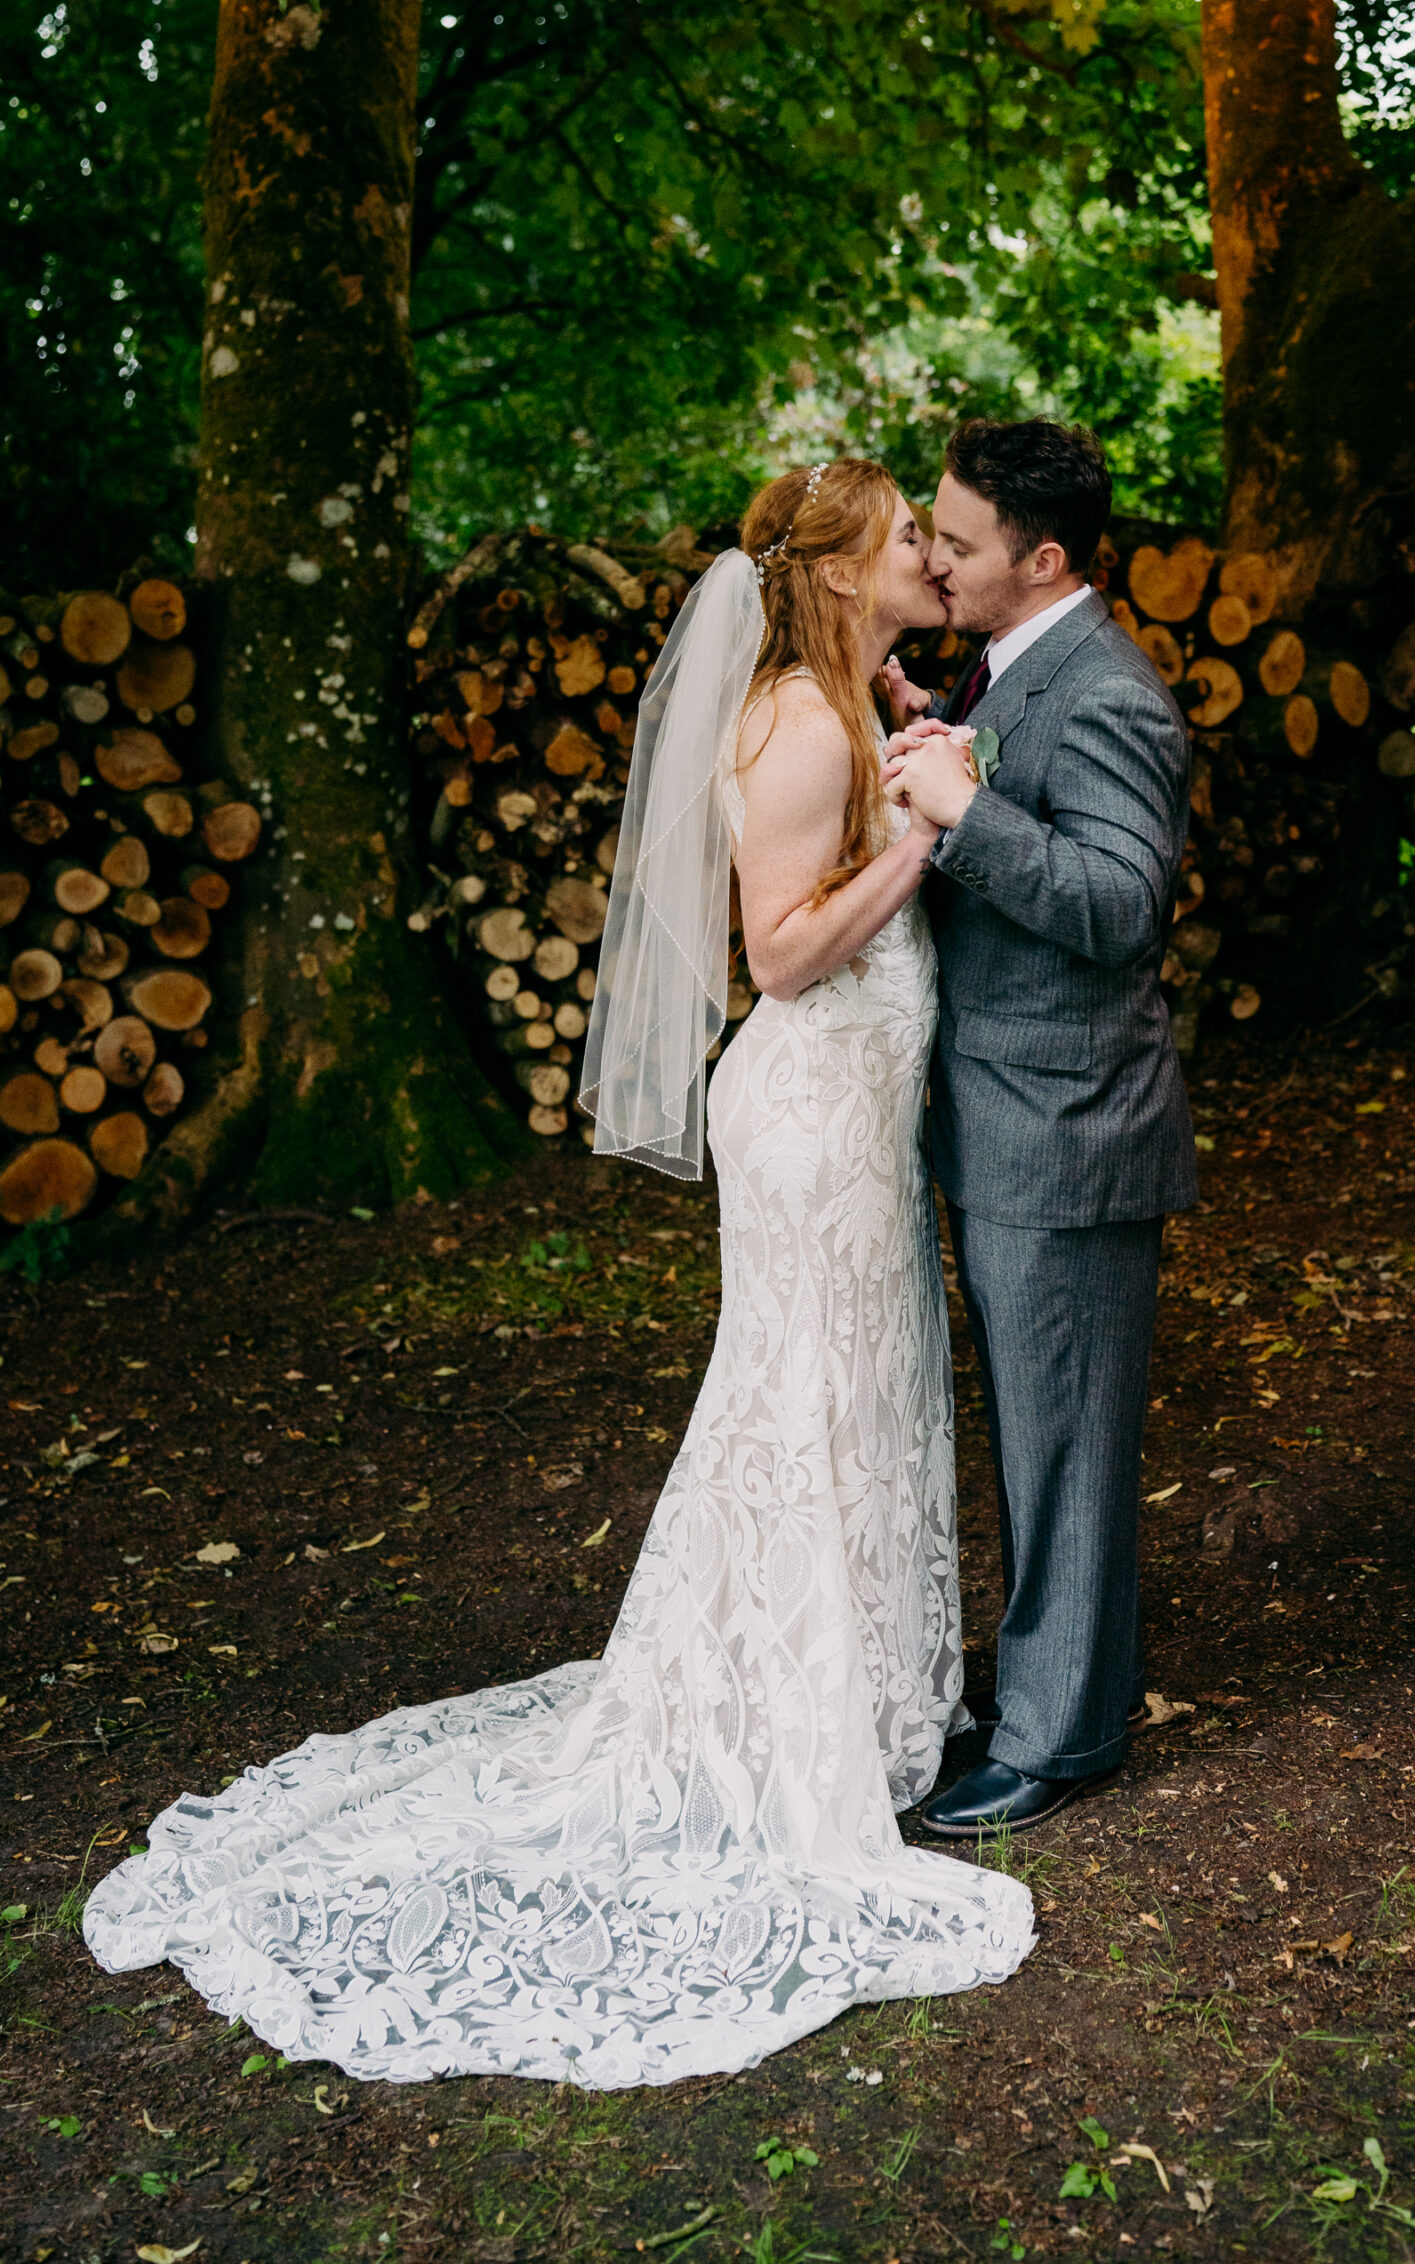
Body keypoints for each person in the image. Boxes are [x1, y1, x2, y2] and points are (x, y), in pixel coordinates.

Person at [82, 457, 1033, 2090]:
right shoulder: (801, 723)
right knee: (803, 1397)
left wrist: (914, 753)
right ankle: (786, 1711)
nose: (919, 563)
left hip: (854, 1117)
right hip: (810, 1112)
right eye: (897, 544)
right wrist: (932, 844)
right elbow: (785, 954)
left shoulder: (833, 697)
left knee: (860, 1392)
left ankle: (867, 1699)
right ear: (836, 569)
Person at [882, 417, 1197, 1836]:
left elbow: (1123, 912)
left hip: (1068, 1135)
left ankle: (1060, 1739)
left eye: (957, 542)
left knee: (1064, 1438)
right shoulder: (1004, 663)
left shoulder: (1112, 694)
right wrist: (926, 736)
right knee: (1031, 1428)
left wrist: (961, 810)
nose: (936, 559)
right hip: (1002, 1116)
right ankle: (1046, 1685)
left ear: (1044, 557)